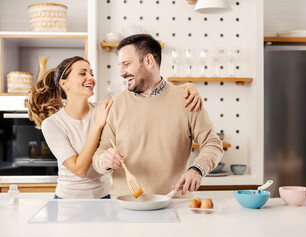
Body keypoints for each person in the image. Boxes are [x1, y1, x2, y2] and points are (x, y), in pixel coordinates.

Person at [25, 56, 203, 199]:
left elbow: (144, 93)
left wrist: (186, 87)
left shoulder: (106, 107)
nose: (91, 78)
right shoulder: (53, 124)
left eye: (91, 73)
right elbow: (79, 169)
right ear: (64, 84)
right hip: (68, 201)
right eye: (82, 73)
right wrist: (98, 124)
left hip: (104, 198)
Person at [92, 34, 224, 198]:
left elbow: (213, 143)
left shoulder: (187, 100)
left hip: (173, 203)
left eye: (126, 64)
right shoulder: (115, 104)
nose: (121, 73)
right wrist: (104, 161)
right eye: (120, 65)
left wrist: (197, 169)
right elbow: (99, 154)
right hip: (124, 205)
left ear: (148, 61)